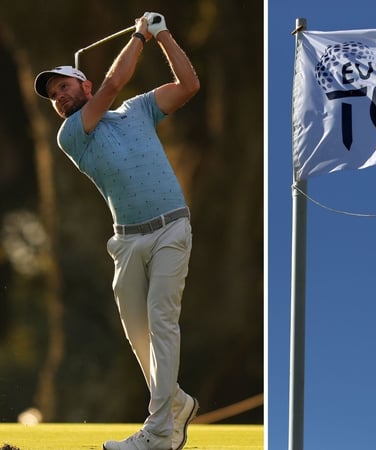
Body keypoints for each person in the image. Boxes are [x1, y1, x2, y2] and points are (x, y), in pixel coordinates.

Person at [34, 12, 200, 450]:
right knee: (139, 333)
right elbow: (111, 85)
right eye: (53, 95)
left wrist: (162, 36)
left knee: (163, 322)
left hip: (171, 229)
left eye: (64, 87)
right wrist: (140, 37)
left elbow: (188, 86)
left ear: (82, 85)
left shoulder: (139, 109)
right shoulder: (72, 134)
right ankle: (176, 401)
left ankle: (160, 431)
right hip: (126, 241)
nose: (59, 98)